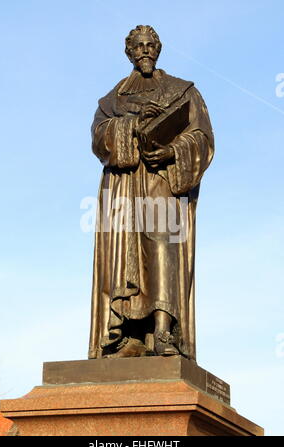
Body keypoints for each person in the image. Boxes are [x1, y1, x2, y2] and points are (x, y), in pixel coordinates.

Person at [88, 25, 214, 360]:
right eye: (138, 46)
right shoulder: (112, 100)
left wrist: (173, 151)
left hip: (161, 178)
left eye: (151, 46)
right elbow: (99, 140)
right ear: (129, 52)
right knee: (122, 259)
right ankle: (126, 336)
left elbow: (203, 137)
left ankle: (162, 332)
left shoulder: (182, 90)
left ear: (158, 50)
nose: (145, 51)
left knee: (162, 246)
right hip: (124, 185)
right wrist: (131, 122)